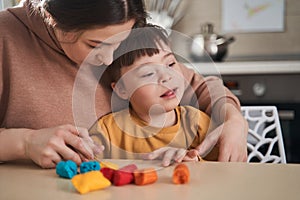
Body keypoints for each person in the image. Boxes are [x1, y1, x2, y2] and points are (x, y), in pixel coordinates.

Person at [0, 0, 247, 169]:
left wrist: (233, 118)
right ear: (54, 20)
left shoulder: (124, 34)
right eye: (95, 45)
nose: (109, 59)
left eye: (119, 43)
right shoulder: (5, 36)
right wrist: (24, 143)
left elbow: (204, 87)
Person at [90, 25, 220, 166]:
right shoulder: (107, 131)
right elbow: (84, 165)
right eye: (148, 73)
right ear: (122, 89)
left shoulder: (198, 123)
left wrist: (194, 161)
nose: (166, 76)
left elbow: (226, 169)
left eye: (170, 64)